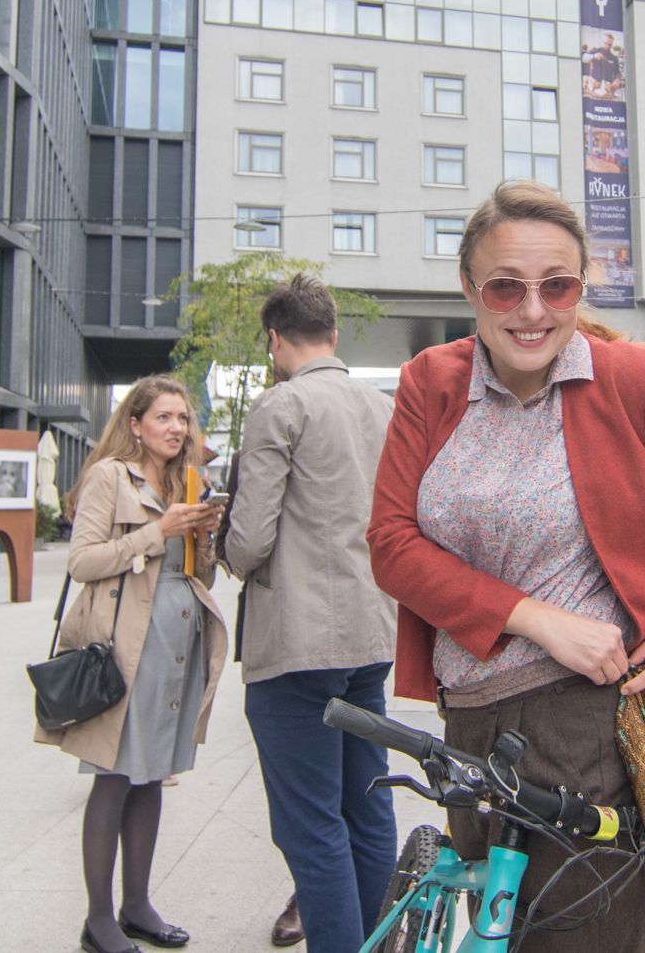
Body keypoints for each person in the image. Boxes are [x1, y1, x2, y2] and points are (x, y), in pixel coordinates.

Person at [367, 180, 645, 953]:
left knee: (578, 940)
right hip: (469, 721)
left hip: (586, 725)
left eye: (556, 285)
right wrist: (535, 618)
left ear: (580, 287)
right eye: (506, 285)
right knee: (496, 935)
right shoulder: (431, 382)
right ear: (470, 286)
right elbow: (393, 544)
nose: (532, 310)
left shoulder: (626, 376)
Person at [225, 274, 399, 953]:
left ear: (275, 338)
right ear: (334, 332)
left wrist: (220, 542)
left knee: (313, 824)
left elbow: (248, 543)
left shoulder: (280, 405)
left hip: (297, 642)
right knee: (369, 806)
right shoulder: (381, 407)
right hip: (370, 633)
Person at [38, 374, 228, 953]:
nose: (177, 428)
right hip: (127, 644)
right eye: (165, 418)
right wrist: (157, 531)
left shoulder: (187, 481)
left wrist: (206, 536)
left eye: (183, 419)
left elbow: (201, 574)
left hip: (177, 640)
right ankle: (99, 920)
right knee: (115, 774)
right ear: (136, 424)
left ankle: (137, 905)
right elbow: (82, 562)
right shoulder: (107, 477)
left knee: (153, 774)